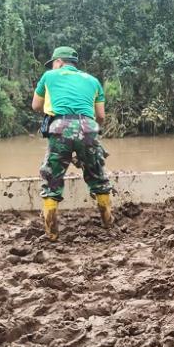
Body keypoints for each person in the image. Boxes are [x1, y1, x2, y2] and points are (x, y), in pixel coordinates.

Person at [31, 46, 114, 241]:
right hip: (89, 127)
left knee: (52, 178)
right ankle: (108, 223)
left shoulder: (49, 76)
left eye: (53, 63)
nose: (52, 66)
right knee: (97, 176)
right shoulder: (93, 81)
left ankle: (51, 233)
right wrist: (86, 128)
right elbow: (101, 116)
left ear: (59, 61)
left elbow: (35, 105)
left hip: (59, 126)